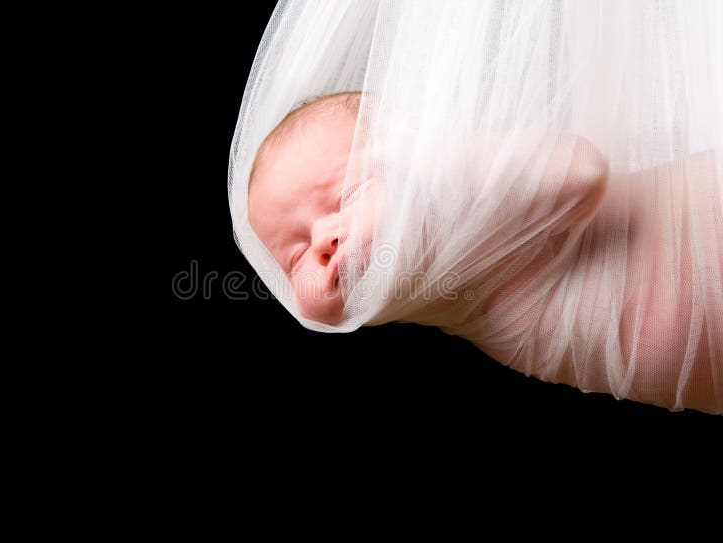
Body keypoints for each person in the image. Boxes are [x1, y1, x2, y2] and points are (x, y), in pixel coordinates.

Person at [246, 91, 722, 414]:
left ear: (410, 162)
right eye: (295, 258)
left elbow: (582, 169)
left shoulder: (481, 211)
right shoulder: (454, 305)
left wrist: (437, 168)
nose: (324, 241)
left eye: (347, 195)